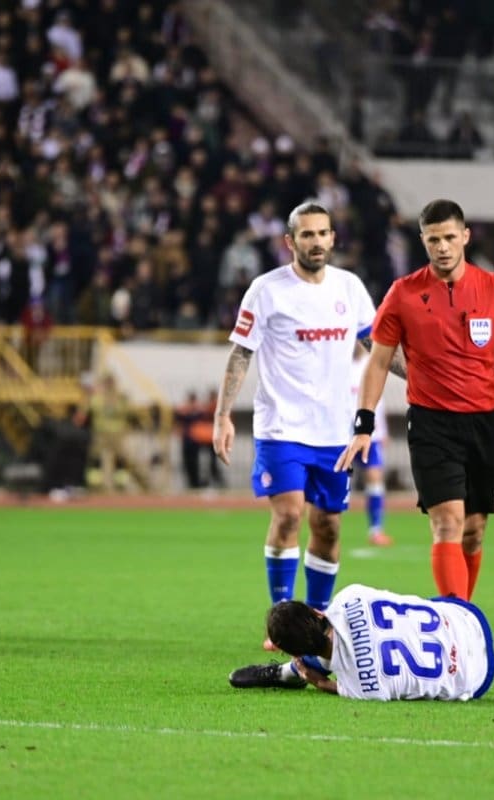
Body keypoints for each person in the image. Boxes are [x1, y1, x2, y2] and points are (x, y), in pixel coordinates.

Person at [213, 202, 396, 651]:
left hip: (335, 432)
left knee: (329, 526)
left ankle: (315, 621)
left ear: (334, 238)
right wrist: (222, 415)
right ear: (289, 242)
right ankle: (280, 623)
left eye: (323, 233)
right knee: (290, 513)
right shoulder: (266, 290)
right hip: (282, 427)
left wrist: (430, 378)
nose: (316, 242)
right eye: (307, 235)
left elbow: (378, 348)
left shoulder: (350, 288)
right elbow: (241, 352)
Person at [336, 199, 494, 602]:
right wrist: (364, 424)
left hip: (485, 421)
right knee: (447, 523)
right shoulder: (403, 294)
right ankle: (454, 625)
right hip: (431, 423)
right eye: (433, 239)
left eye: (449, 238)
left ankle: (463, 616)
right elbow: (378, 361)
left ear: (465, 237)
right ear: (423, 241)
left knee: (473, 530)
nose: (442, 247)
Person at [228, 583, 494, 702]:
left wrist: (320, 682)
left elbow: (332, 684)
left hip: (474, 678)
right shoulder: (350, 595)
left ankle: (286, 673)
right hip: (467, 617)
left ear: (295, 654)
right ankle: (286, 672)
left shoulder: (360, 684)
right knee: (408, 610)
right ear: (316, 612)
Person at [350, 346, 393, 546]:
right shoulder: (337, 363)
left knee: (375, 478)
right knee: (334, 483)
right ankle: (328, 526)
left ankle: (376, 529)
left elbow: (379, 402)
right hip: (341, 435)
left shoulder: (370, 362)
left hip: (369, 435)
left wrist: (382, 431)